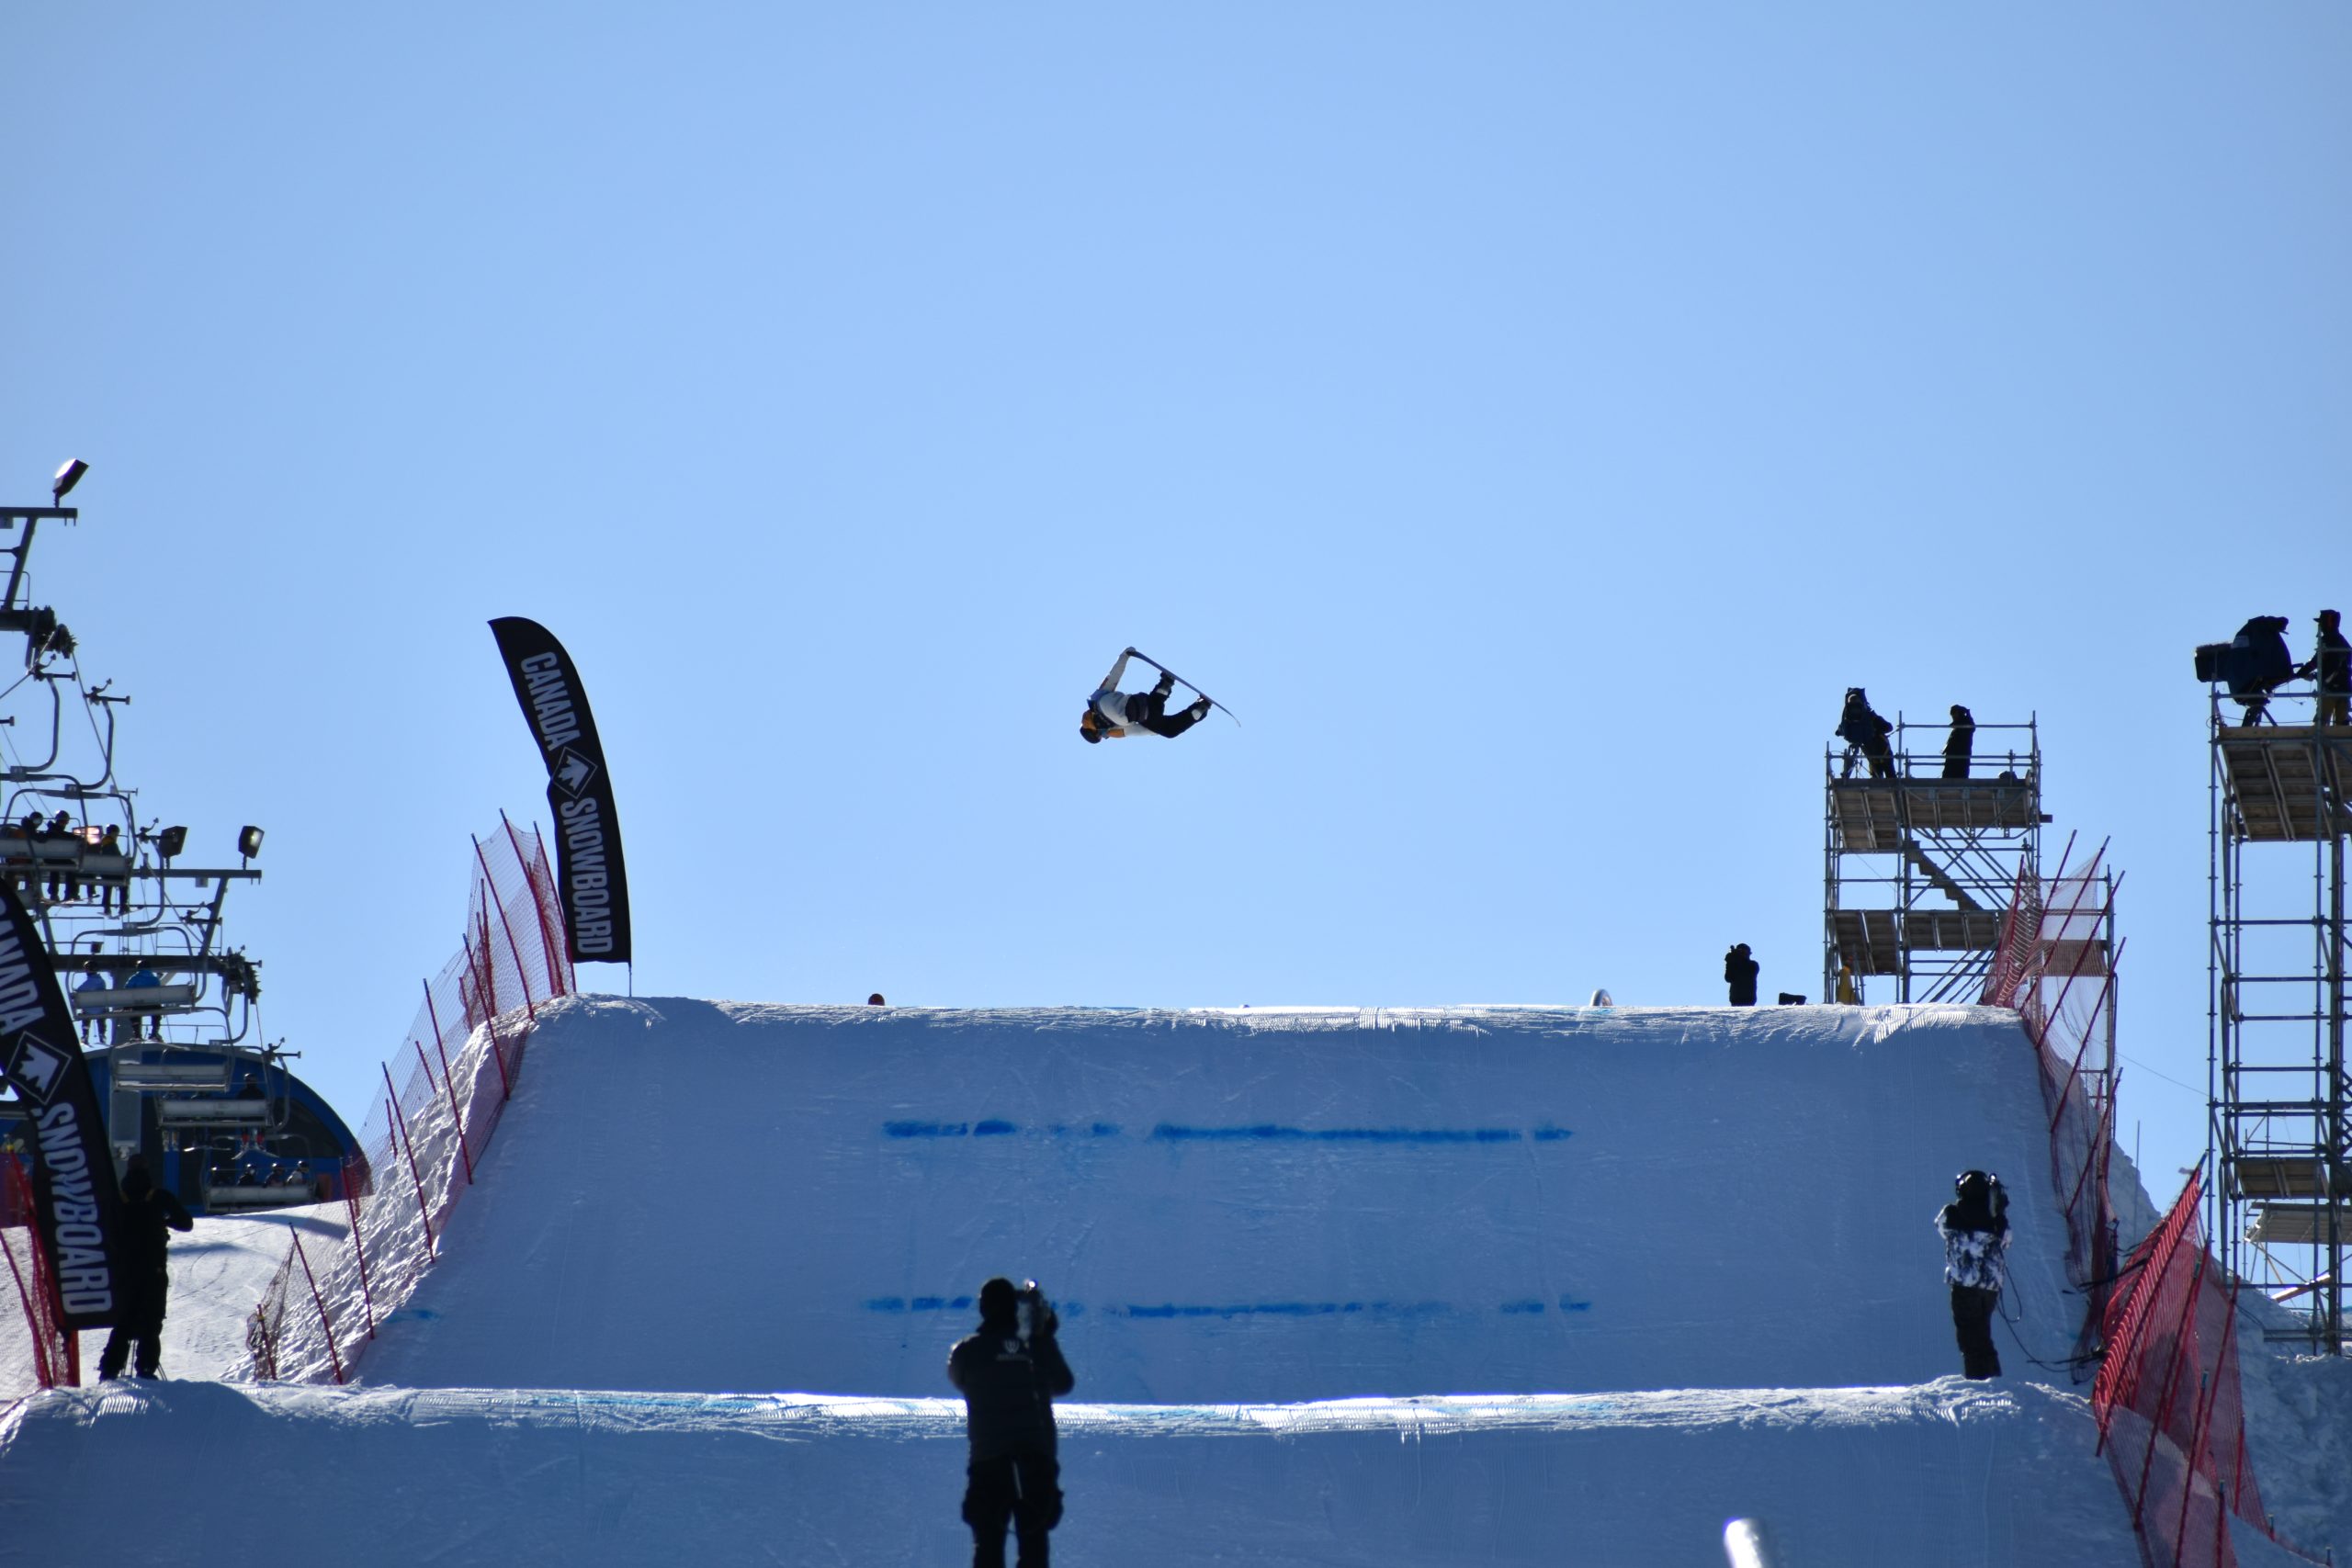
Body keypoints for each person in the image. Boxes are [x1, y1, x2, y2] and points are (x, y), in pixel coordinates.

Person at [948, 1277, 1075, 1568]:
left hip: (988, 1463)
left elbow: (959, 1377)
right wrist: (1043, 1335)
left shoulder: (968, 1352)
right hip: (1034, 1461)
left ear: (984, 1309)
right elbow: (1063, 1383)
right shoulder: (1035, 1349)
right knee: (1034, 1550)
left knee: (988, 1549)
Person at [98, 1157, 194, 1380]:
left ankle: (110, 1367)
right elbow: (186, 1223)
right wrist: (163, 1220)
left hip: (123, 1270)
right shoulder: (159, 1197)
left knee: (123, 1319)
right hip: (153, 1269)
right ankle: (146, 1368)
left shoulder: (116, 1199)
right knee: (152, 1319)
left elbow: (104, 1229)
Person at [1936, 1169, 2009, 1381]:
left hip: (1963, 1285)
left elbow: (1940, 1228)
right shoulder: (1996, 1220)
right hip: (1989, 1287)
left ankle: (1977, 1382)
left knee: (1969, 1337)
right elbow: (2007, 1241)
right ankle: (1993, 1378)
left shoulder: (1951, 1212)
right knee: (1983, 1333)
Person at [1080, 649, 1211, 743]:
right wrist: (1124, 656)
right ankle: (1165, 685)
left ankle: (1199, 708)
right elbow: (1113, 677)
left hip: (1132, 712)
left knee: (1168, 729)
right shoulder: (1095, 700)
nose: (1082, 721)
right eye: (1084, 726)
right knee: (1154, 709)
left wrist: (1155, 731)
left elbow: (1134, 731)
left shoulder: (1108, 731)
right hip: (1139, 702)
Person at [2225, 615, 2295, 725]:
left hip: (2242, 686)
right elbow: (2262, 658)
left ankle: (2251, 725)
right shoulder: (2259, 631)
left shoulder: (2254, 630)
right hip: (2246, 684)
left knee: (2256, 703)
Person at [2297, 609, 2348, 727]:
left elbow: (2318, 660)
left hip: (2330, 689)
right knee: (2342, 726)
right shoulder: (2342, 641)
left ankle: (2321, 744)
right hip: (2344, 688)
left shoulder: (2328, 639)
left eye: (2321, 623)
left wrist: (2302, 672)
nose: (2320, 626)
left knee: (2322, 723)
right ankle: (2339, 744)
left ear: (2327, 623)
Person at [1834, 688, 1895, 779]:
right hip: (1879, 754)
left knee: (1880, 782)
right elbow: (1889, 727)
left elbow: (1839, 731)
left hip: (1877, 755)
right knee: (1888, 780)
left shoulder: (1852, 721)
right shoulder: (1870, 717)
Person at [73, 944, 107, 1044]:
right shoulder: (101, 981)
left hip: (89, 1009)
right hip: (100, 1009)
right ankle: (102, 1033)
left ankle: (85, 1034)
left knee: (85, 1014)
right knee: (101, 1015)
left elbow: (80, 991)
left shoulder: (90, 982)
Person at [1940, 705, 1974, 781]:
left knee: (1955, 776)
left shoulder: (1964, 726)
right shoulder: (1960, 727)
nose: (1952, 717)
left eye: (1953, 714)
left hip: (1957, 760)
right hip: (1955, 759)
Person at [1724, 943, 1759, 1007]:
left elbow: (1745, 972)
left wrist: (1736, 959)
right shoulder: (1734, 964)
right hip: (1735, 998)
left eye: (1743, 951)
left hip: (1748, 998)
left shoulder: (1753, 964)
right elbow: (1728, 978)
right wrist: (1730, 963)